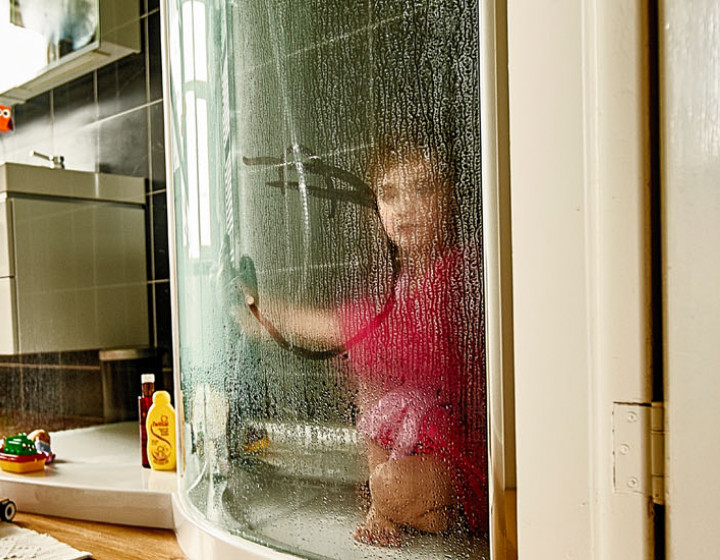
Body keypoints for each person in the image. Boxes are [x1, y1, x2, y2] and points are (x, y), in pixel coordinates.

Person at [237, 137, 487, 547]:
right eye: (389, 193)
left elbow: (391, 337)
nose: (404, 205)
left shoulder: (465, 271)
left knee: (393, 484)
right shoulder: (393, 288)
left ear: (450, 199)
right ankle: (391, 504)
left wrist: (275, 316)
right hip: (412, 460)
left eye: (422, 188)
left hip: (466, 456)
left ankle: (427, 508)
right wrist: (377, 503)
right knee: (382, 457)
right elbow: (373, 400)